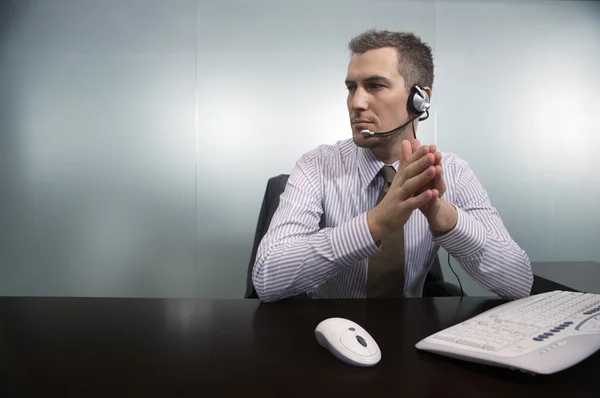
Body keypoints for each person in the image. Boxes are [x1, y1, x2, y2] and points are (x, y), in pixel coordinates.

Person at [252, 29, 533, 302]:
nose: (356, 103)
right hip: (329, 333)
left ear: (419, 100)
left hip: (412, 337)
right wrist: (374, 224)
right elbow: (266, 280)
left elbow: (519, 282)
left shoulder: (454, 173)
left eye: (375, 86)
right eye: (352, 88)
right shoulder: (317, 165)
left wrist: (445, 218)